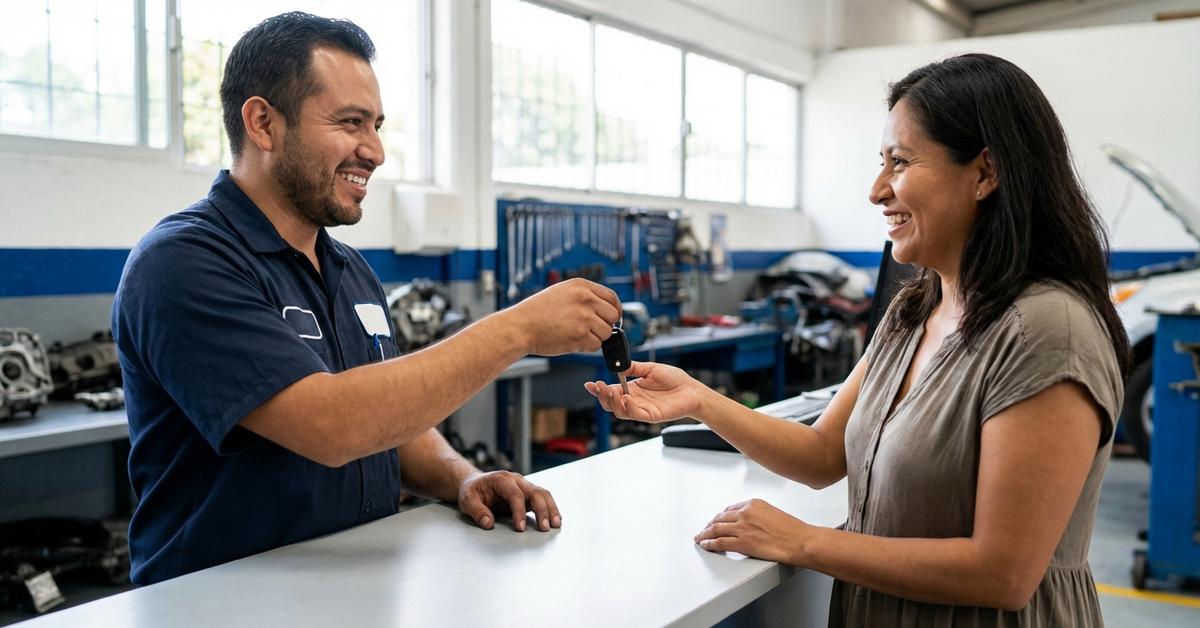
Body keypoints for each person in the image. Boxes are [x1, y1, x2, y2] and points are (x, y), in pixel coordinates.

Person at [586, 53, 1129, 627]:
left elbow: (1003, 572)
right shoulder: (914, 312)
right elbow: (824, 455)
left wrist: (804, 543)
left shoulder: (1048, 331)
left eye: (900, 162)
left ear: (985, 173)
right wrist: (697, 400)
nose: (877, 191)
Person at [112, 12, 621, 585]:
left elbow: (389, 418)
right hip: (219, 600)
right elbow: (334, 427)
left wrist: (459, 476)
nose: (375, 151)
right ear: (262, 123)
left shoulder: (350, 269)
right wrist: (518, 330)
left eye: (377, 125)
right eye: (350, 123)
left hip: (353, 586)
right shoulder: (182, 263)